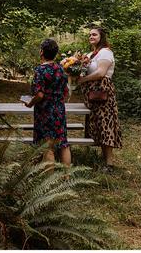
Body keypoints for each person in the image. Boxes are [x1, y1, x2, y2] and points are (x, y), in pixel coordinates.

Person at [77, 26, 122, 170]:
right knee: (97, 125)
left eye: (94, 34)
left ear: (101, 37)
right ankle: (102, 159)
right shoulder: (91, 54)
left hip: (103, 93)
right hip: (91, 94)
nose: (91, 37)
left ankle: (110, 163)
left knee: (106, 124)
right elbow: (84, 70)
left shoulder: (105, 52)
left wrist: (83, 80)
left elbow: (101, 73)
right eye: (90, 35)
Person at [23, 38, 71, 166]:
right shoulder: (61, 69)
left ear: (41, 52)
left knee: (47, 146)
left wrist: (30, 103)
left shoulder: (40, 70)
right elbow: (65, 91)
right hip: (59, 110)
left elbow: (39, 94)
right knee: (63, 143)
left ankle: (51, 182)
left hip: (45, 111)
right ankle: (67, 177)